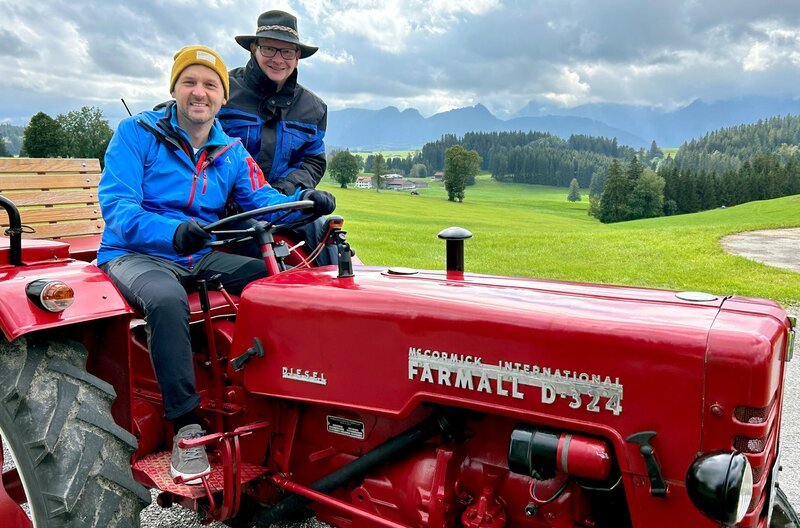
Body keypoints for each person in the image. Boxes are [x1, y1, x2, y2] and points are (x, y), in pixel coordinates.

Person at [97, 45, 335, 484]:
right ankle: (186, 430)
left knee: (276, 280)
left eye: (210, 85)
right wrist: (170, 232)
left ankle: (276, 396)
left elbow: (262, 201)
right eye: (189, 82)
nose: (199, 93)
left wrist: (304, 207)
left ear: (223, 97)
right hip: (135, 252)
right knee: (168, 301)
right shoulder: (136, 134)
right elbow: (118, 209)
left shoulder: (229, 151)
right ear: (174, 89)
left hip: (196, 252)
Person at [219, 10, 335, 264]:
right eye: (269, 49)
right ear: (253, 48)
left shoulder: (313, 108)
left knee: (328, 236)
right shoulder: (221, 90)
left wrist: (285, 189)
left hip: (282, 203)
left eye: (287, 52)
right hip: (223, 210)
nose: (278, 59)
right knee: (265, 262)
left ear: (297, 56)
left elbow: (313, 161)